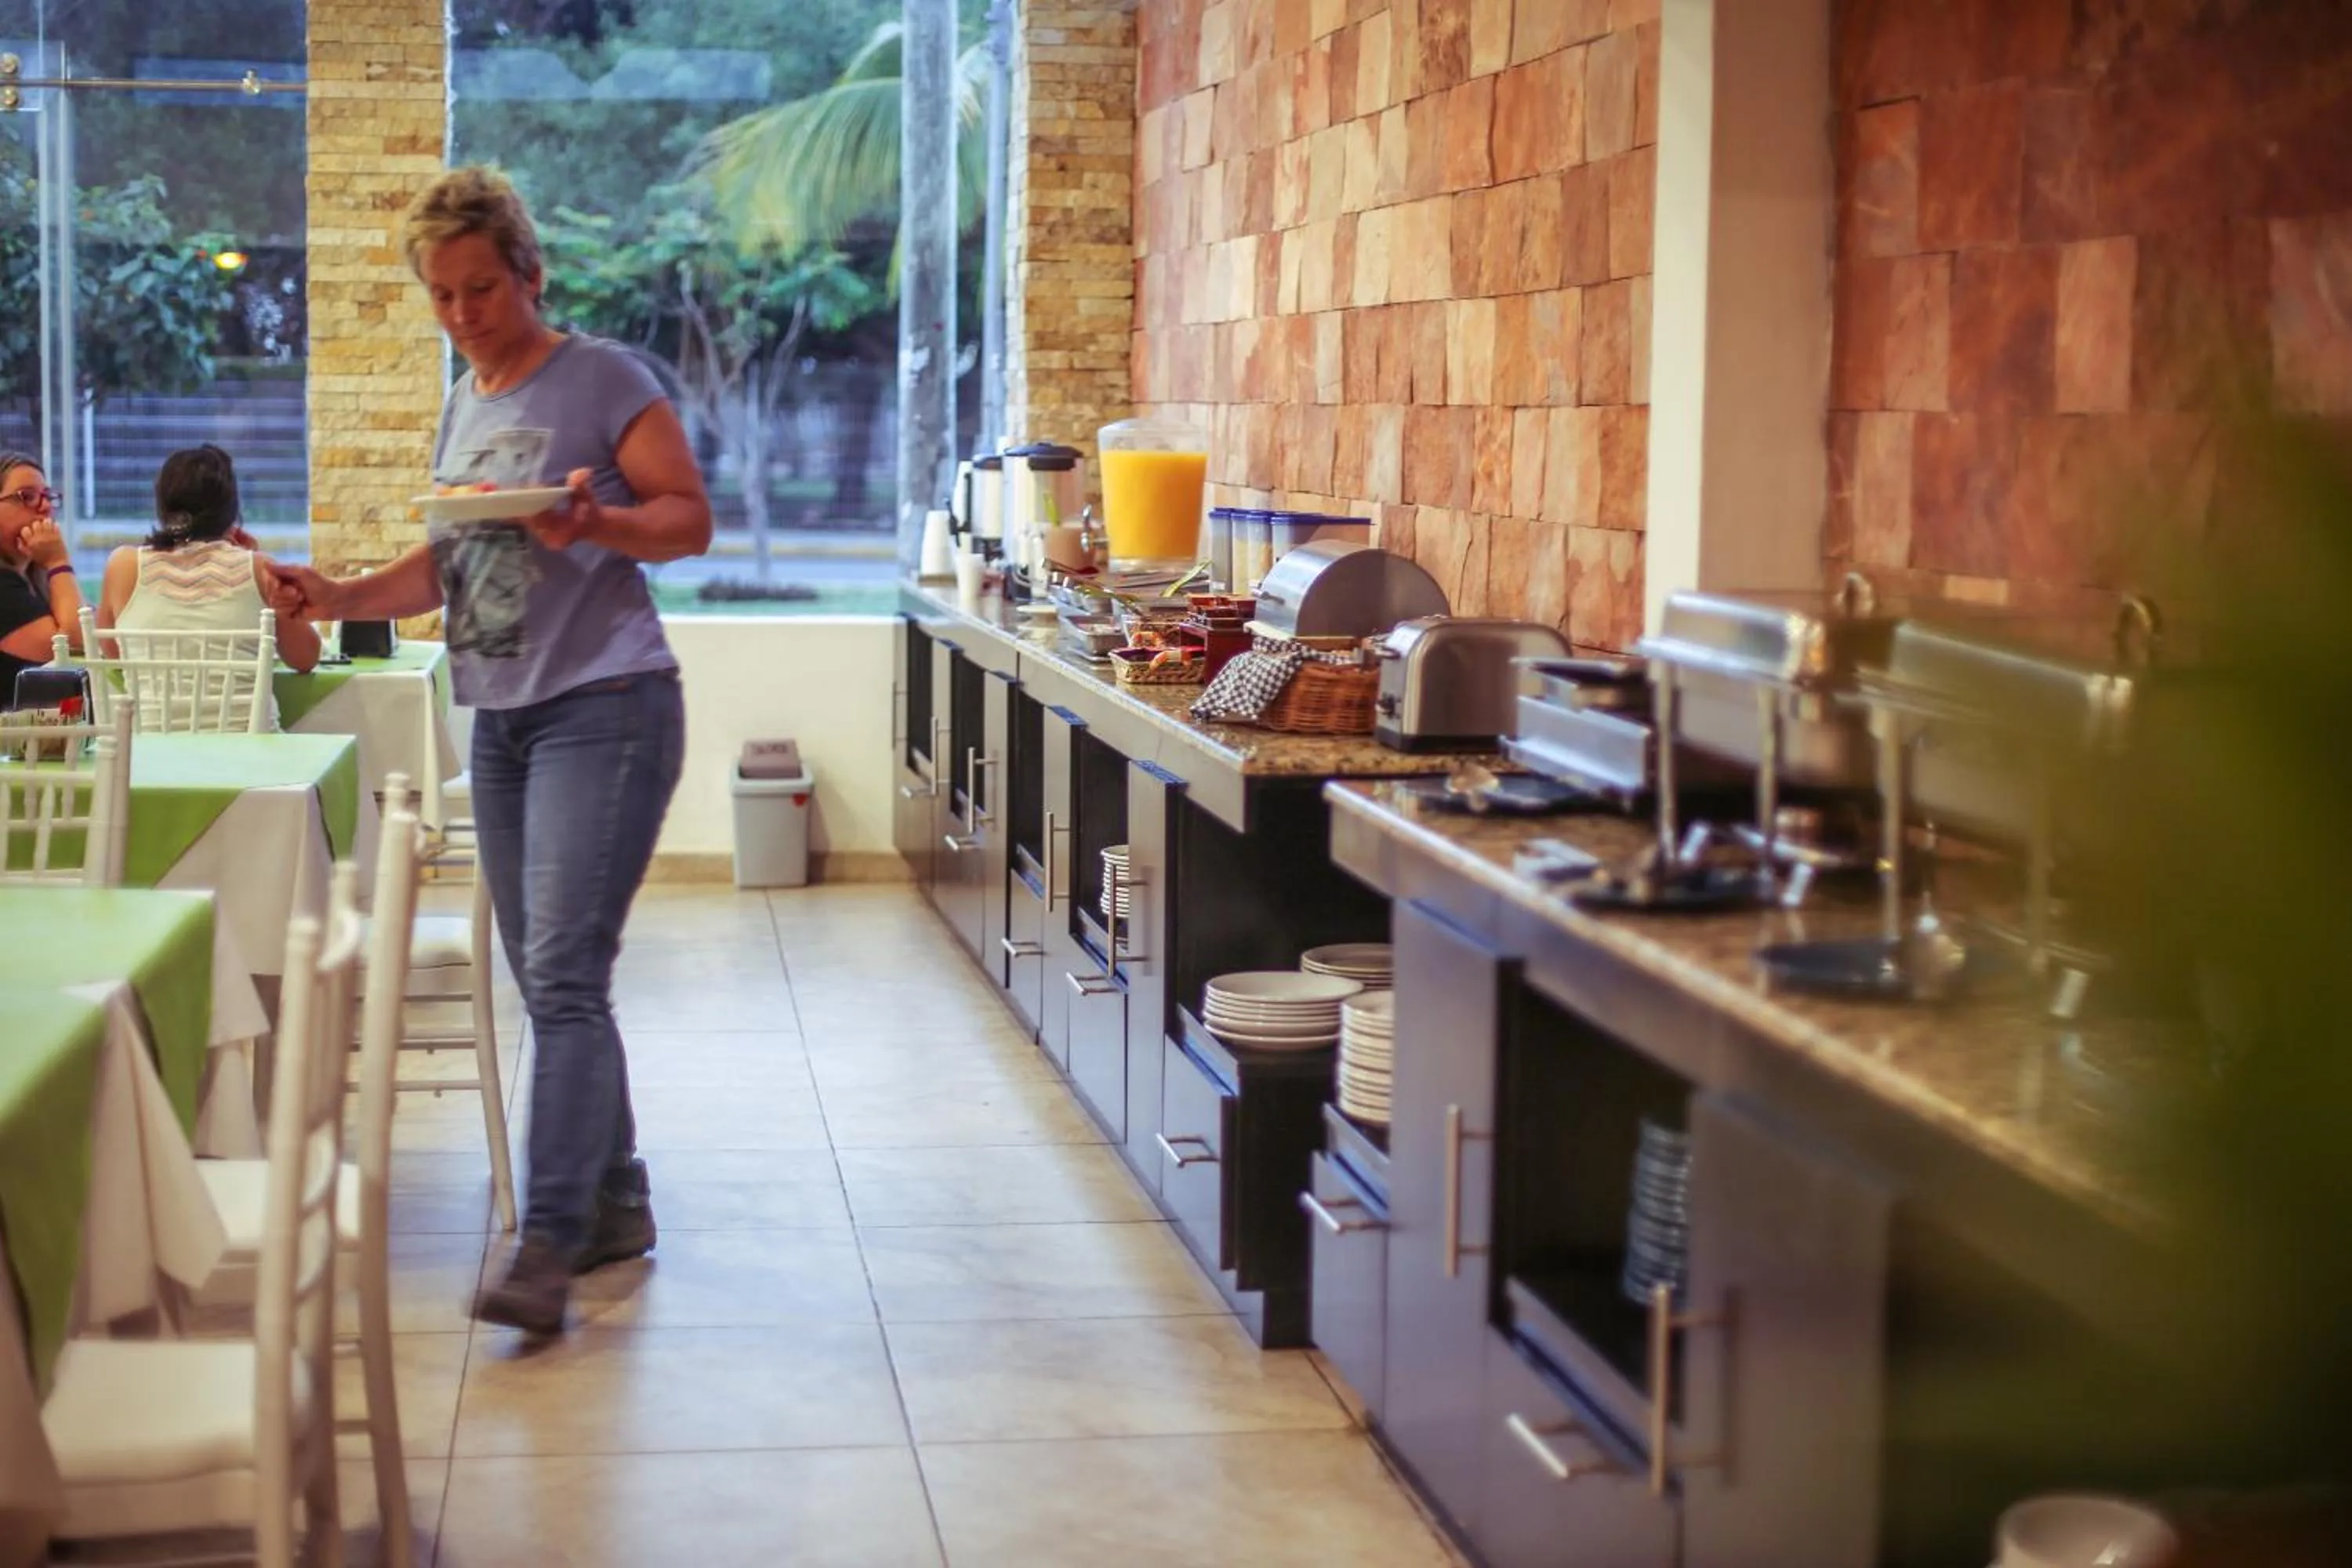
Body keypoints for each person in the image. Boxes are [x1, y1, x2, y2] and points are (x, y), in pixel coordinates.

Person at [270, 165, 713, 1335]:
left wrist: (594, 521)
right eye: (444, 296)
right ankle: (613, 1200)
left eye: (482, 289)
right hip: (505, 716)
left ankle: (549, 1243)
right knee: (548, 978)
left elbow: (686, 519)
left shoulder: (604, 378)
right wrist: (338, 589)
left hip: (608, 703)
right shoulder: (468, 399)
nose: (465, 313)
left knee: (564, 977)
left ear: (529, 271)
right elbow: (450, 564)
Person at [99, 444, 321, 691]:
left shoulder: (123, 566)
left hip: (148, 731)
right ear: (231, 510)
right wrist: (248, 561)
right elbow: (306, 659)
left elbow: (113, 653)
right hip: (248, 731)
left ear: (163, 506)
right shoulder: (262, 569)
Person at [0, 452, 87, 701]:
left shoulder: (32, 582)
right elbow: (75, 648)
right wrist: (58, 562)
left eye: (47, 496)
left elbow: (94, 623)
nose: (46, 507)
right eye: (26, 497)